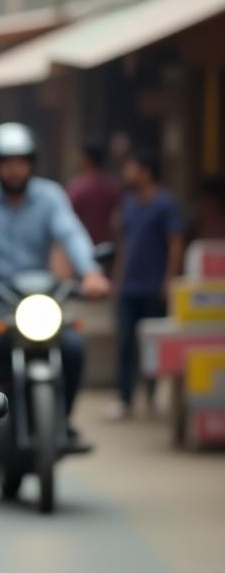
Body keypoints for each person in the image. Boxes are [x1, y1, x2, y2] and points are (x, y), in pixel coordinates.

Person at [0, 122, 109, 445]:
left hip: (40, 298)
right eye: (7, 161)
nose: (14, 168)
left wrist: (91, 272)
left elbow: (71, 234)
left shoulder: (50, 196)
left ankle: (62, 420)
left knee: (74, 348)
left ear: (32, 163)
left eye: (21, 161)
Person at [107, 151, 184, 421]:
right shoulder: (128, 204)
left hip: (154, 286)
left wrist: (169, 280)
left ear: (146, 171)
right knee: (125, 343)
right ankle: (125, 398)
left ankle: (152, 396)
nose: (126, 173)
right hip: (130, 286)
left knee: (151, 345)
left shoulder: (165, 204)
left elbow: (174, 242)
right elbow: (124, 245)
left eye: (132, 167)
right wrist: (117, 280)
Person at [67, 139, 121, 246]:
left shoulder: (78, 188)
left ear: (87, 159)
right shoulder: (113, 187)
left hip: (81, 247)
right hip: (108, 248)